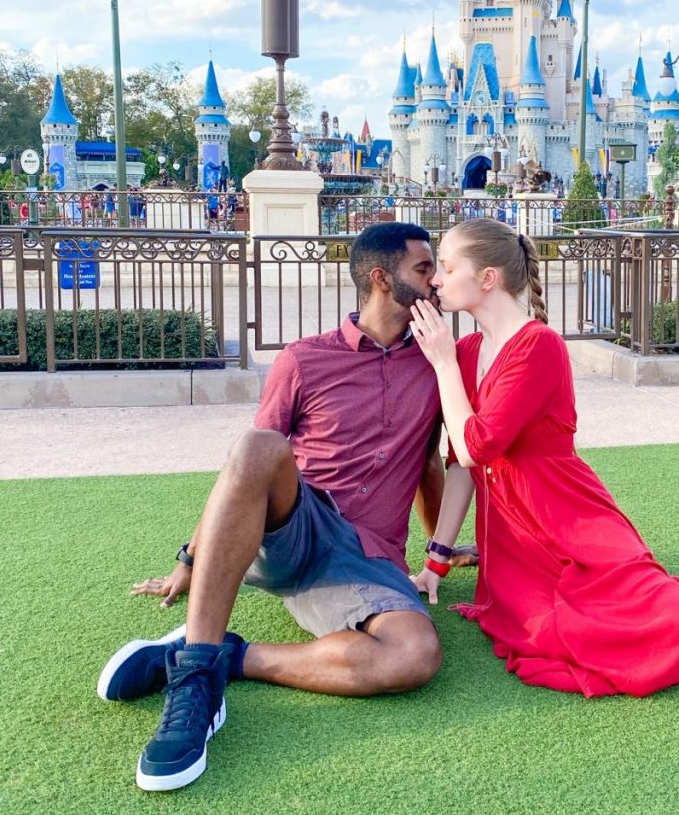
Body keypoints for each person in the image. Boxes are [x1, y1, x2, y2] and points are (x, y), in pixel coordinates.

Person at [406, 218, 679, 699]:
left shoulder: (538, 346)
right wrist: (436, 563)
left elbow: (478, 444)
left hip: (568, 519)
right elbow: (462, 465)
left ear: (488, 278)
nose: (435, 280)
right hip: (516, 549)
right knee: (554, 636)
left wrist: (443, 364)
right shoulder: (470, 350)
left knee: (628, 618)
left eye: (447, 267)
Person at [97, 223, 467, 791]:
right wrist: (190, 560)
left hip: (367, 561)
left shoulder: (438, 364)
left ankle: (227, 655)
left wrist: (438, 557)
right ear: (381, 279)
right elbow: (245, 473)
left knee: (413, 656)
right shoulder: (305, 359)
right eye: (424, 270)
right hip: (295, 529)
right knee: (259, 444)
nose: (437, 281)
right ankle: (195, 681)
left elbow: (428, 466)